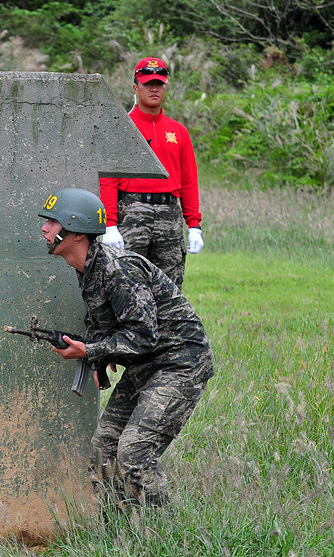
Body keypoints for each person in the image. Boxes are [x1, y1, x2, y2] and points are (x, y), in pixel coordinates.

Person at [37, 187, 214, 510]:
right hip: (146, 364)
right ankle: (116, 532)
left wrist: (90, 352)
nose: (45, 229)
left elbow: (143, 336)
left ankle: (162, 535)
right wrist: (97, 355)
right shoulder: (87, 270)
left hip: (179, 363)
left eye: (52, 222)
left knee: (134, 452)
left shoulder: (119, 269)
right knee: (104, 450)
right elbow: (110, 325)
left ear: (76, 232)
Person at [100, 56, 204, 289]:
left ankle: (166, 328)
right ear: (136, 87)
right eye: (148, 84)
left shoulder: (178, 132)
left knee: (169, 288)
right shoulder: (122, 127)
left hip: (169, 214)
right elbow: (108, 179)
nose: (154, 88)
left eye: (159, 83)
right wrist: (109, 224)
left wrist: (194, 225)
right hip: (132, 212)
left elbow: (188, 182)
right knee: (127, 284)